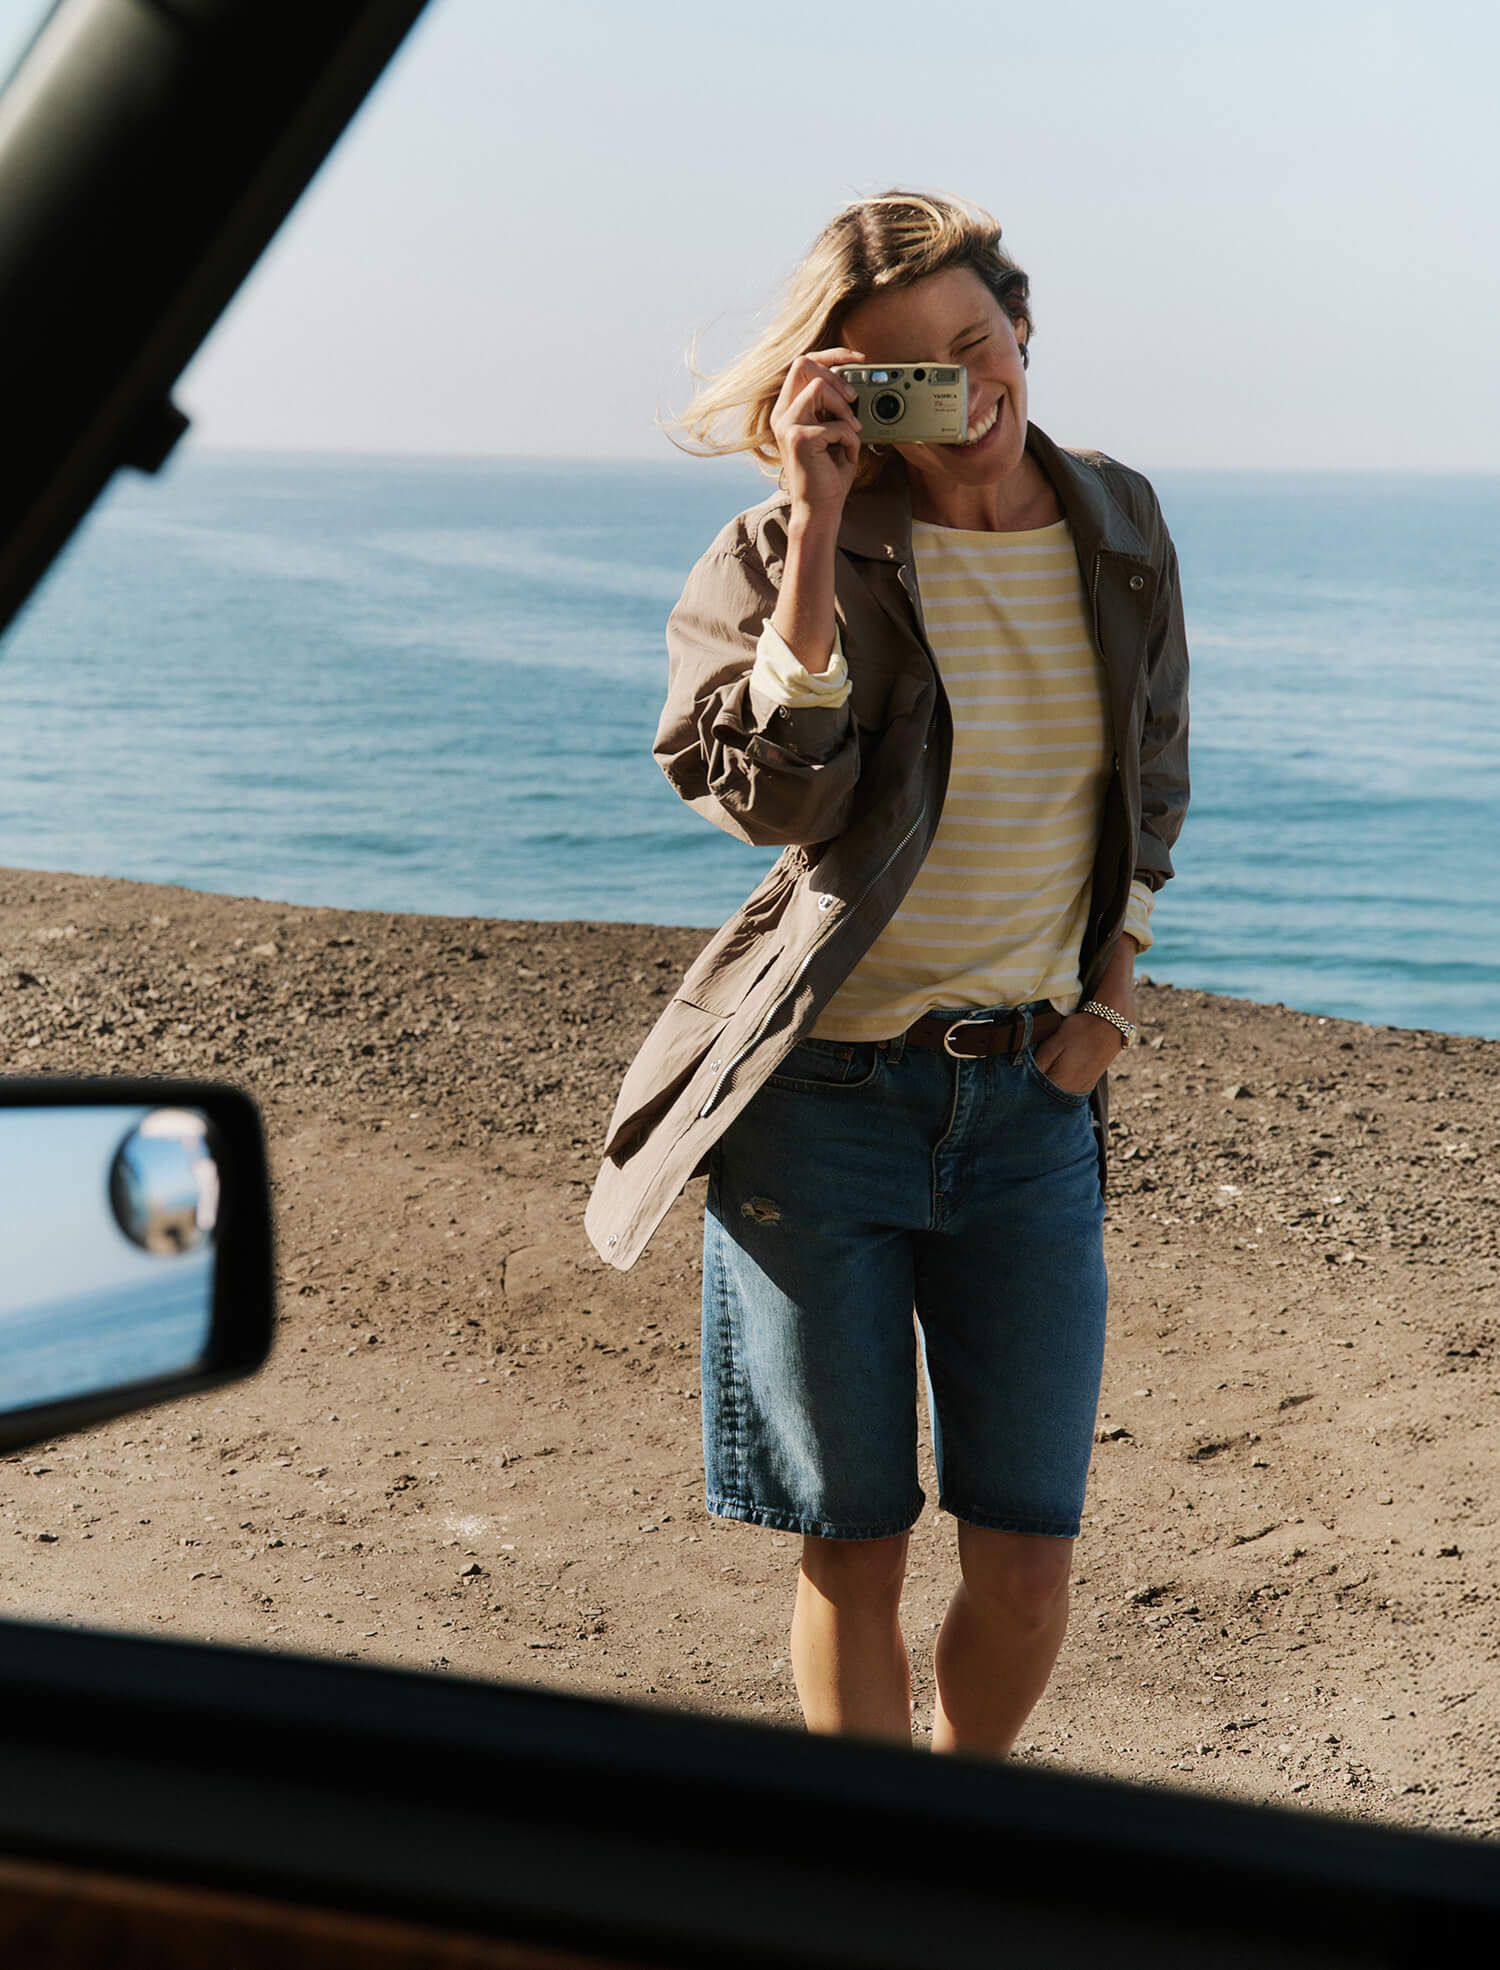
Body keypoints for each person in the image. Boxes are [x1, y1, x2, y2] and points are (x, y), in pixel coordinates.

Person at [586, 190, 1189, 1754]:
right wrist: (811, 528)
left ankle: (958, 1821)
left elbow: (1152, 778)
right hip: (820, 1110)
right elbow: (776, 803)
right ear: (851, 389)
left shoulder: (1121, 525)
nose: (966, 390)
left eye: (977, 343)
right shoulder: (784, 548)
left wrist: (1112, 994)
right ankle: (875, 1865)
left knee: (1030, 1563)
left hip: (1029, 1114)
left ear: (1023, 328)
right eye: (910, 371)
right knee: (852, 1549)